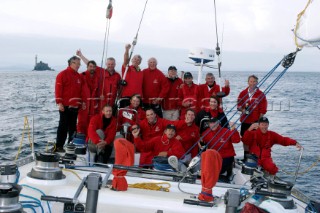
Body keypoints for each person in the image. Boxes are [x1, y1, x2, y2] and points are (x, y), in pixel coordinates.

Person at [54, 56, 82, 152]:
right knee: (63, 127)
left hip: (75, 107)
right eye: (77, 64)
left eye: (79, 64)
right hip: (65, 106)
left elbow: (80, 92)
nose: (79, 66)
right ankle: (59, 146)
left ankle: (71, 146)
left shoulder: (78, 76)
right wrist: (59, 103)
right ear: (71, 63)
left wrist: (82, 103)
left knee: (73, 128)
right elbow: (58, 90)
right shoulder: (62, 74)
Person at [237, 75, 267, 157]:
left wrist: (258, 122)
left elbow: (263, 110)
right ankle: (246, 157)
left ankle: (254, 158)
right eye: (251, 81)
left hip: (255, 122)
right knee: (245, 140)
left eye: (254, 81)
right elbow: (238, 106)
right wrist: (243, 110)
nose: (252, 83)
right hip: (245, 121)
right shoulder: (242, 93)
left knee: (255, 141)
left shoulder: (261, 94)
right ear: (248, 82)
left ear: (257, 82)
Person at [77, 60, 100, 135]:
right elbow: (77, 90)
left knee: (93, 122)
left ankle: (90, 138)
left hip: (94, 104)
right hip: (84, 103)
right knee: (82, 122)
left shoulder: (98, 77)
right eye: (90, 66)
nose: (92, 68)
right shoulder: (81, 76)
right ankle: (80, 138)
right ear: (87, 67)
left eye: (93, 67)